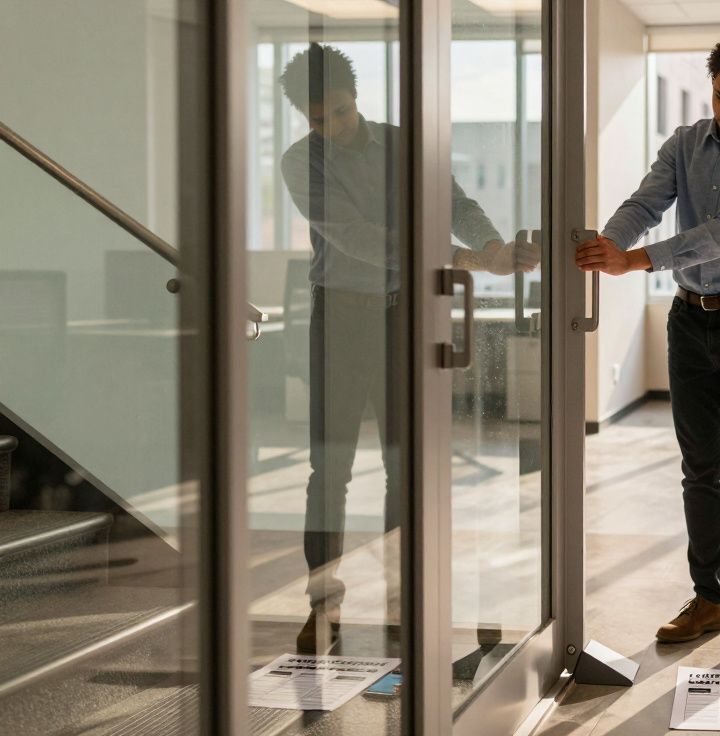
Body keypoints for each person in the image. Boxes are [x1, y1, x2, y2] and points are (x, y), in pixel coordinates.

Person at [279, 43, 533, 654]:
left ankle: (403, 596)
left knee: (403, 463)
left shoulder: (402, 145)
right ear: (302, 117)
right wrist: (459, 256)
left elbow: (456, 206)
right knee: (329, 468)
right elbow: (357, 239)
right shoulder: (300, 162)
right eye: (318, 120)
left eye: (339, 112)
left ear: (356, 99)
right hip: (339, 315)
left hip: (403, 318)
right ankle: (324, 604)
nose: (333, 128)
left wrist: (494, 247)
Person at [575, 30, 720, 662]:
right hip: (689, 321)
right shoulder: (684, 144)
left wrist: (637, 260)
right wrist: (607, 247)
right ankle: (709, 598)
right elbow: (647, 201)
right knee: (698, 468)